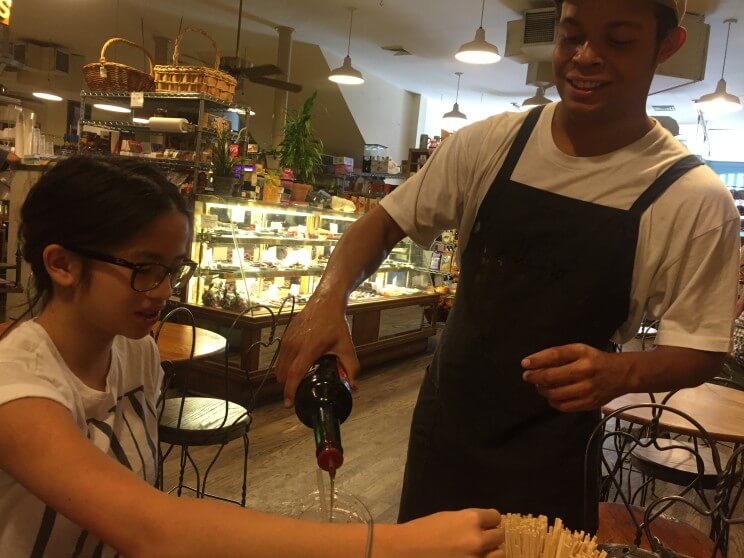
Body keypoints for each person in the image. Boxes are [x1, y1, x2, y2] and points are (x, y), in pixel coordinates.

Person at [275, 0, 740, 533]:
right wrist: (327, 299)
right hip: (447, 430)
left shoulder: (691, 198)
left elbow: (700, 350)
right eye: (571, 36)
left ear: (667, 46)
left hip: (557, 451)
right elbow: (383, 223)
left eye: (618, 41)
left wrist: (623, 372)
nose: (585, 58)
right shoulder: (492, 142)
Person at [0, 156, 506, 558]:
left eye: (175, 268)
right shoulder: (16, 386)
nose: (164, 289)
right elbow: (151, 530)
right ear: (62, 264)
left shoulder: (135, 354)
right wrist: (397, 544)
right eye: (146, 269)